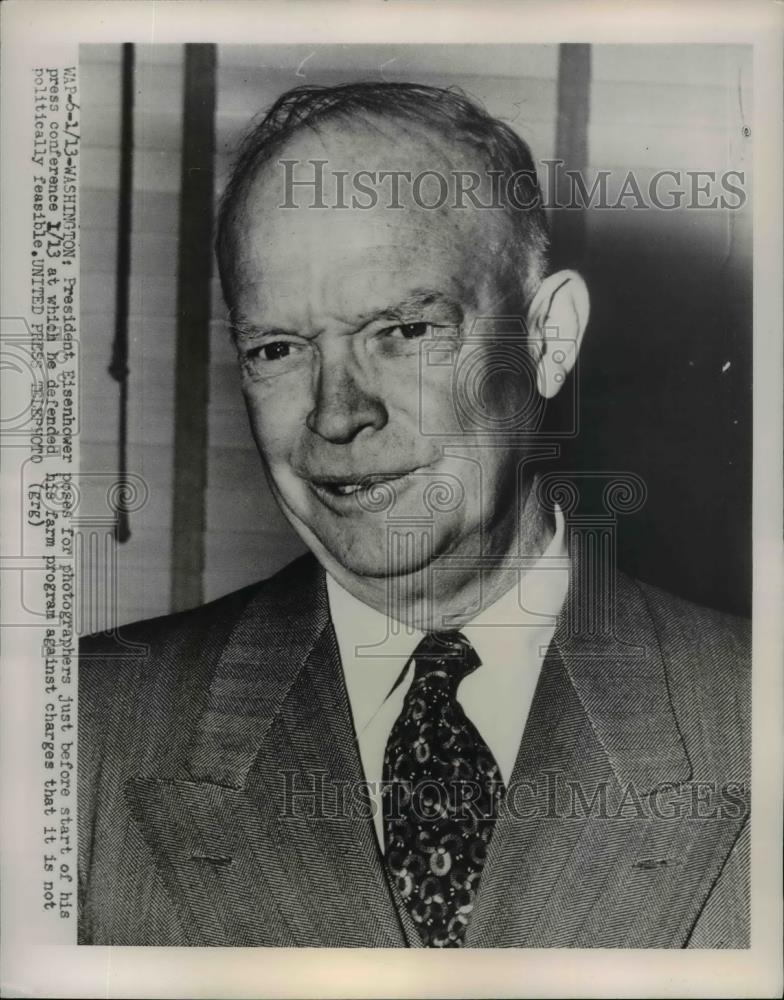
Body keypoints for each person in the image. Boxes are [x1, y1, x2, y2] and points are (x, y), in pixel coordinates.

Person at [78, 82, 750, 948]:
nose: (335, 414)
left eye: (402, 330)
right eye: (277, 349)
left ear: (547, 340)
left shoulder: (748, 713)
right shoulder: (80, 731)